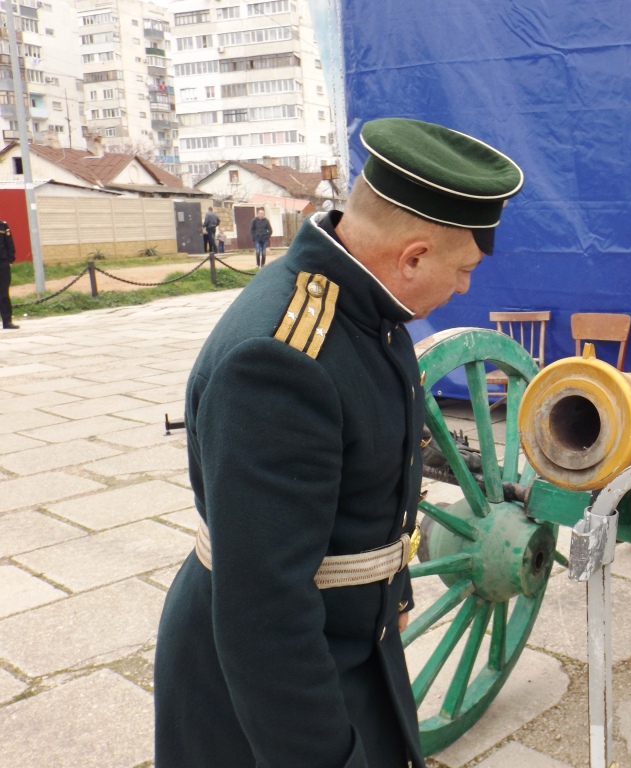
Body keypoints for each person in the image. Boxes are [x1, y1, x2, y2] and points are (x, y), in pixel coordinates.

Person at [154, 117, 524, 768]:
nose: (464, 286)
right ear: (412, 257)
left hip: (349, 635)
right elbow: (264, 617)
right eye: (462, 269)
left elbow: (372, 488)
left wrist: (393, 594)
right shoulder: (283, 360)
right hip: (268, 692)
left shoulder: (362, 312)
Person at [0, 219, 18, 330]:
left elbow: (9, 243)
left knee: (4, 294)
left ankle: (7, 322)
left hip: (2, 264)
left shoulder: (3, 225)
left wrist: (10, 261)